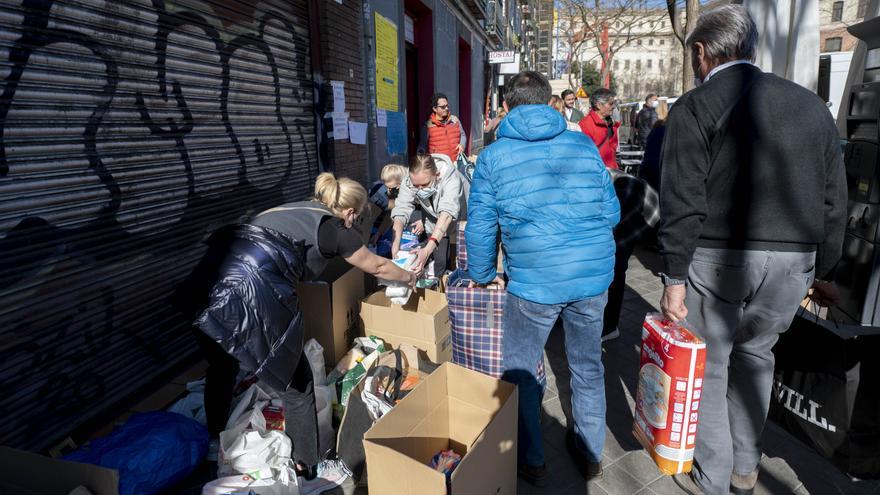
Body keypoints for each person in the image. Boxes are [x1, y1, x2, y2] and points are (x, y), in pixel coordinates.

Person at [657, 5, 847, 494]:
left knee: (713, 367)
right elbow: (834, 197)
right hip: (793, 260)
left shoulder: (696, 106)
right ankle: (745, 466)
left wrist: (674, 279)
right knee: (757, 357)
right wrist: (822, 266)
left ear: (701, 52)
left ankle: (714, 475)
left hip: (720, 259)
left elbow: (682, 200)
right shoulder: (810, 105)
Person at [175, 173, 416, 474]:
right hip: (246, 289)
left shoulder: (296, 209)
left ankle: (214, 440)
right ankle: (308, 467)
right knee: (297, 382)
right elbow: (378, 265)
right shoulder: (335, 228)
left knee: (222, 365)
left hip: (204, 282)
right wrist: (410, 276)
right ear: (351, 212)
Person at [466, 70, 619, 486]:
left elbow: (480, 225)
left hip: (533, 282)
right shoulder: (583, 144)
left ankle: (532, 458)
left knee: (520, 369)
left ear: (507, 106)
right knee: (587, 366)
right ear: (549, 101)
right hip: (591, 276)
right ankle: (590, 452)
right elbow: (612, 213)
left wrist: (481, 275)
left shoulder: (495, 155)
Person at [602, 168, 660, 342]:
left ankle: (609, 327)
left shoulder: (622, 189)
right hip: (625, 200)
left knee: (615, 266)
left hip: (641, 206)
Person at [391, 153, 464, 276]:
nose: (419, 189)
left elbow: (446, 214)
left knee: (459, 260)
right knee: (439, 259)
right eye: (416, 186)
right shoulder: (410, 179)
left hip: (460, 219)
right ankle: (437, 282)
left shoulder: (452, 179)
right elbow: (401, 209)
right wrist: (396, 242)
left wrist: (428, 249)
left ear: (437, 174)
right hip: (433, 221)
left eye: (425, 185)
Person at [368, 164, 421, 246]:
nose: (389, 191)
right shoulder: (396, 190)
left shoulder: (418, 187)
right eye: (387, 187)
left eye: (392, 188)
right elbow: (392, 213)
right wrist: (379, 233)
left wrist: (423, 221)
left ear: (401, 182)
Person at [578, 88, 620, 169]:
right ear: (599, 105)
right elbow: (585, 155)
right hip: (596, 174)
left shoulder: (611, 122)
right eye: (611, 104)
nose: (614, 107)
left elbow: (613, 148)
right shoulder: (585, 125)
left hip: (611, 172)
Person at [419, 93, 466, 161]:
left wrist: (462, 144)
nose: (446, 108)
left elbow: (462, 134)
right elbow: (422, 146)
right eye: (443, 107)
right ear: (435, 109)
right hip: (439, 166)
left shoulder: (455, 120)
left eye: (447, 105)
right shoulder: (428, 125)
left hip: (456, 162)